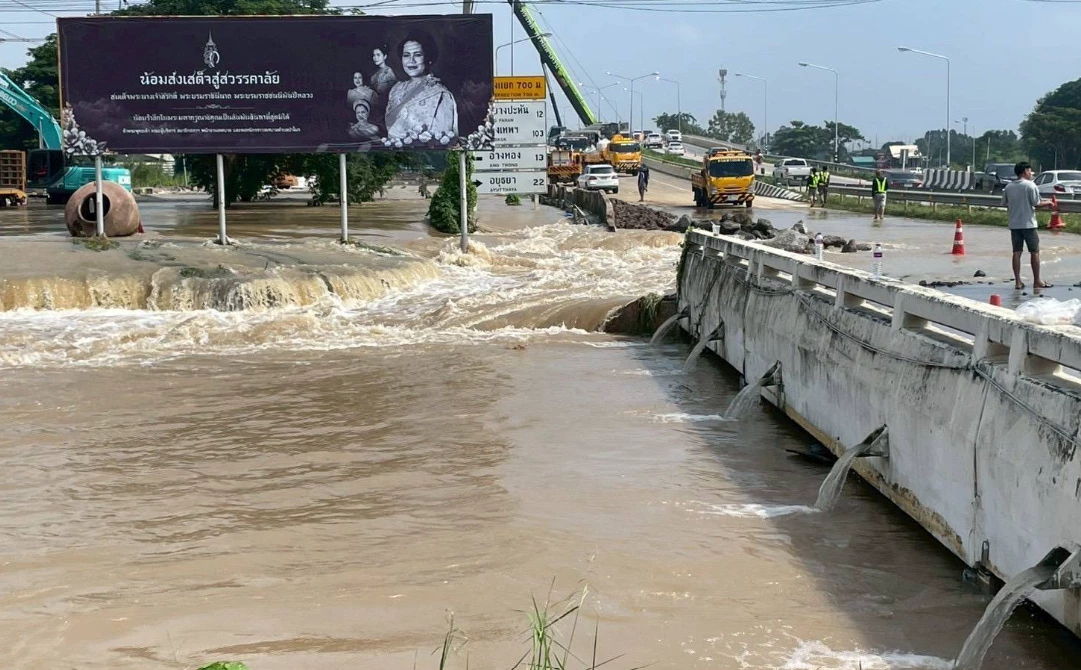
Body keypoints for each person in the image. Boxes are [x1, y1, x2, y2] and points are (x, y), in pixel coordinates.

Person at [382, 32, 459, 147]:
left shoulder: (440, 94)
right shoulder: (396, 89)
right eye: (406, 55)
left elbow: (443, 137)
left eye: (417, 55)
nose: (411, 61)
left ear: (428, 58)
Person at [1002, 161, 1055, 290]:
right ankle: (1037, 280)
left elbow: (1004, 203)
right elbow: (1036, 203)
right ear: (1025, 171)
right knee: (1034, 252)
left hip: (1014, 224)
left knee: (1016, 252)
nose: (1031, 173)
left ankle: (1018, 282)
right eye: (1030, 171)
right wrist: (1049, 203)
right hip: (1029, 224)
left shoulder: (1009, 187)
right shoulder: (1030, 185)